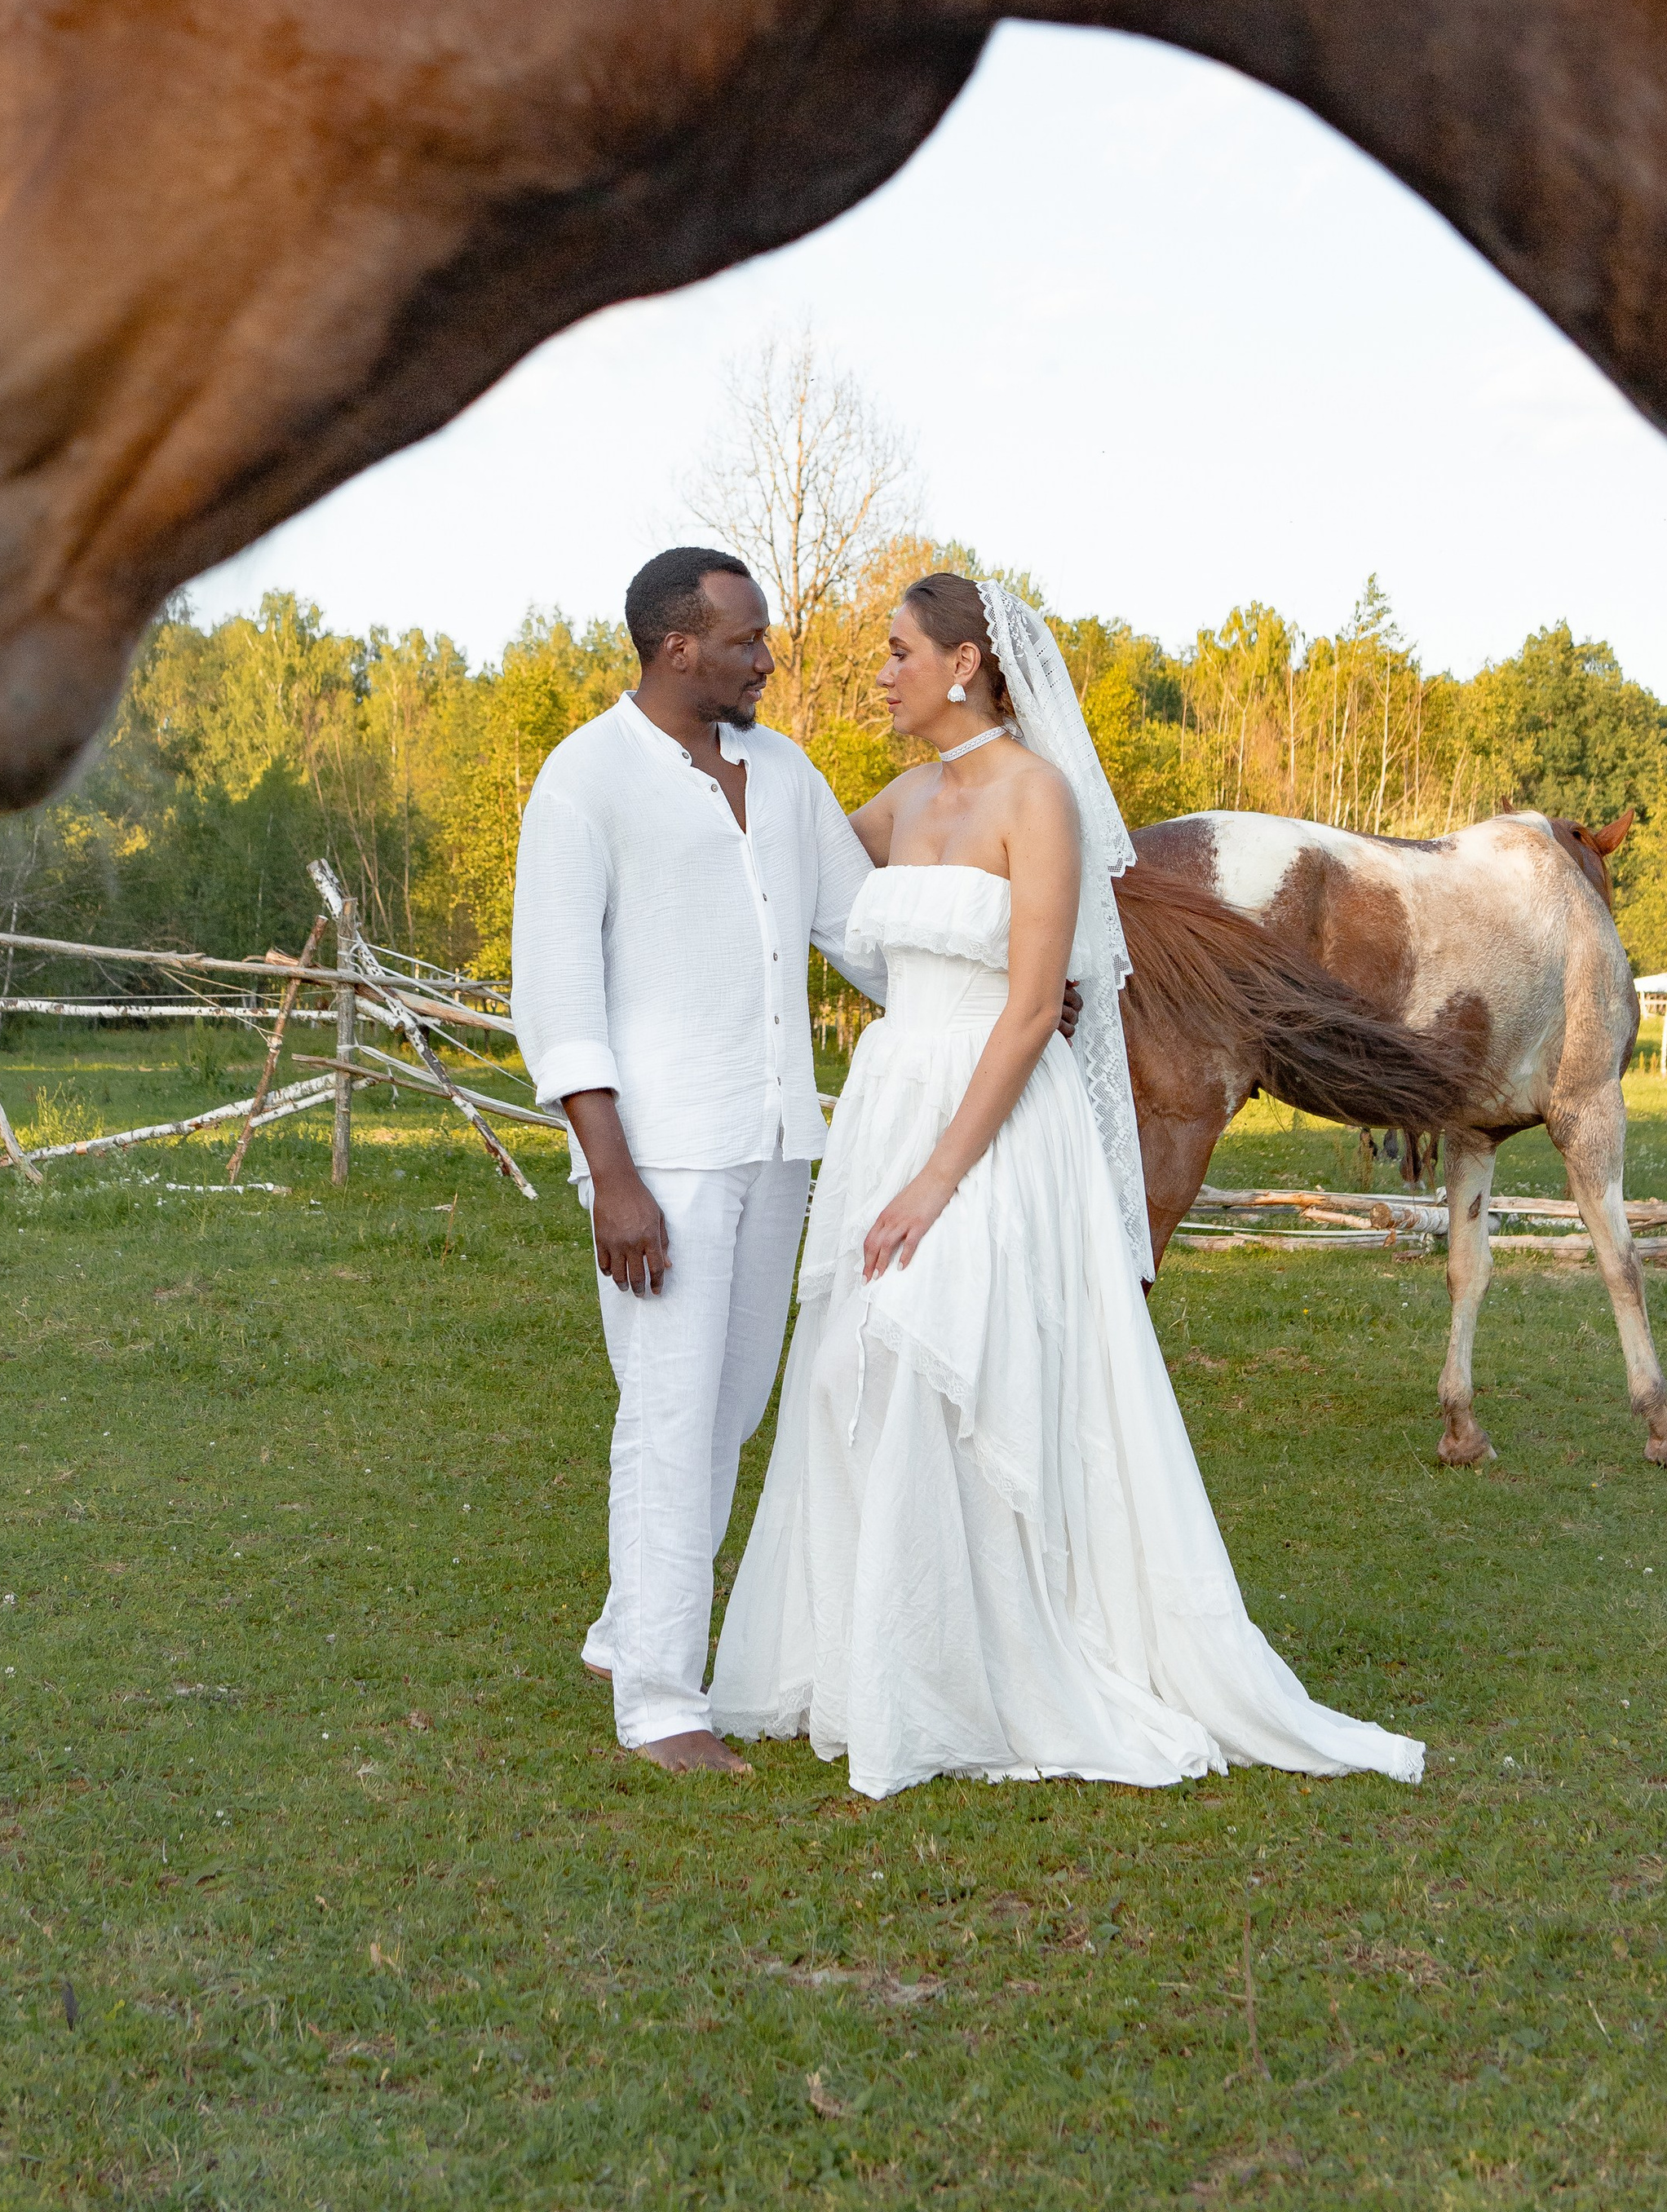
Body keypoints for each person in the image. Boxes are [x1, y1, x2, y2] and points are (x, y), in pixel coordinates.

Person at [710, 572, 1425, 1801]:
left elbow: (1038, 1005)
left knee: (964, 1361)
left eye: (896, 651)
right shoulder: (899, 798)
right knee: (856, 1367)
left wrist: (940, 1178)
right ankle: (879, 1658)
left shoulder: (1033, 799)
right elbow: (791, 854)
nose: (876, 672)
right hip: (893, 1094)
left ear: (966, 662)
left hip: (987, 1117)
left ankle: (1001, 1665)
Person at [511, 546, 1080, 1777]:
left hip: (779, 1146)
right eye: (747, 640)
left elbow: (856, 931)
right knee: (666, 1412)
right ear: (677, 648)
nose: (771, 658)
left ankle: (626, 1630)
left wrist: (992, 995)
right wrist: (611, 1174)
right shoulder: (583, 783)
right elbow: (555, 997)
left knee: (729, 1408)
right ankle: (661, 1700)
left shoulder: (781, 772)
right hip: (657, 1159)